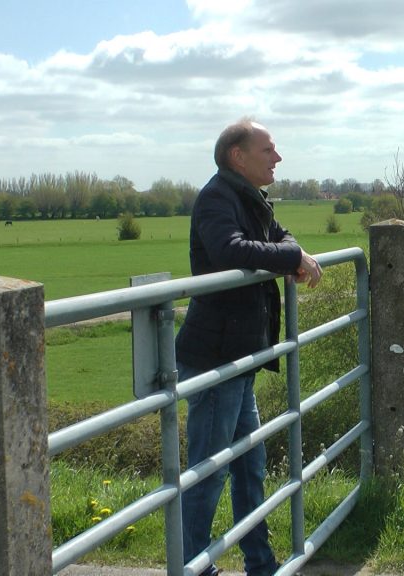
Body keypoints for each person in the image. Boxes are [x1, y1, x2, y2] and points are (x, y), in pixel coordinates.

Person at [175, 118, 322, 576]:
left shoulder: (249, 199)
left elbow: (282, 237)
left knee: (248, 465)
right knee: (209, 471)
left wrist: (293, 253)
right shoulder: (218, 198)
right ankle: (192, 567)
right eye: (269, 150)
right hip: (216, 357)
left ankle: (260, 563)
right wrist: (292, 259)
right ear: (238, 156)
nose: (277, 158)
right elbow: (229, 250)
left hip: (238, 356)